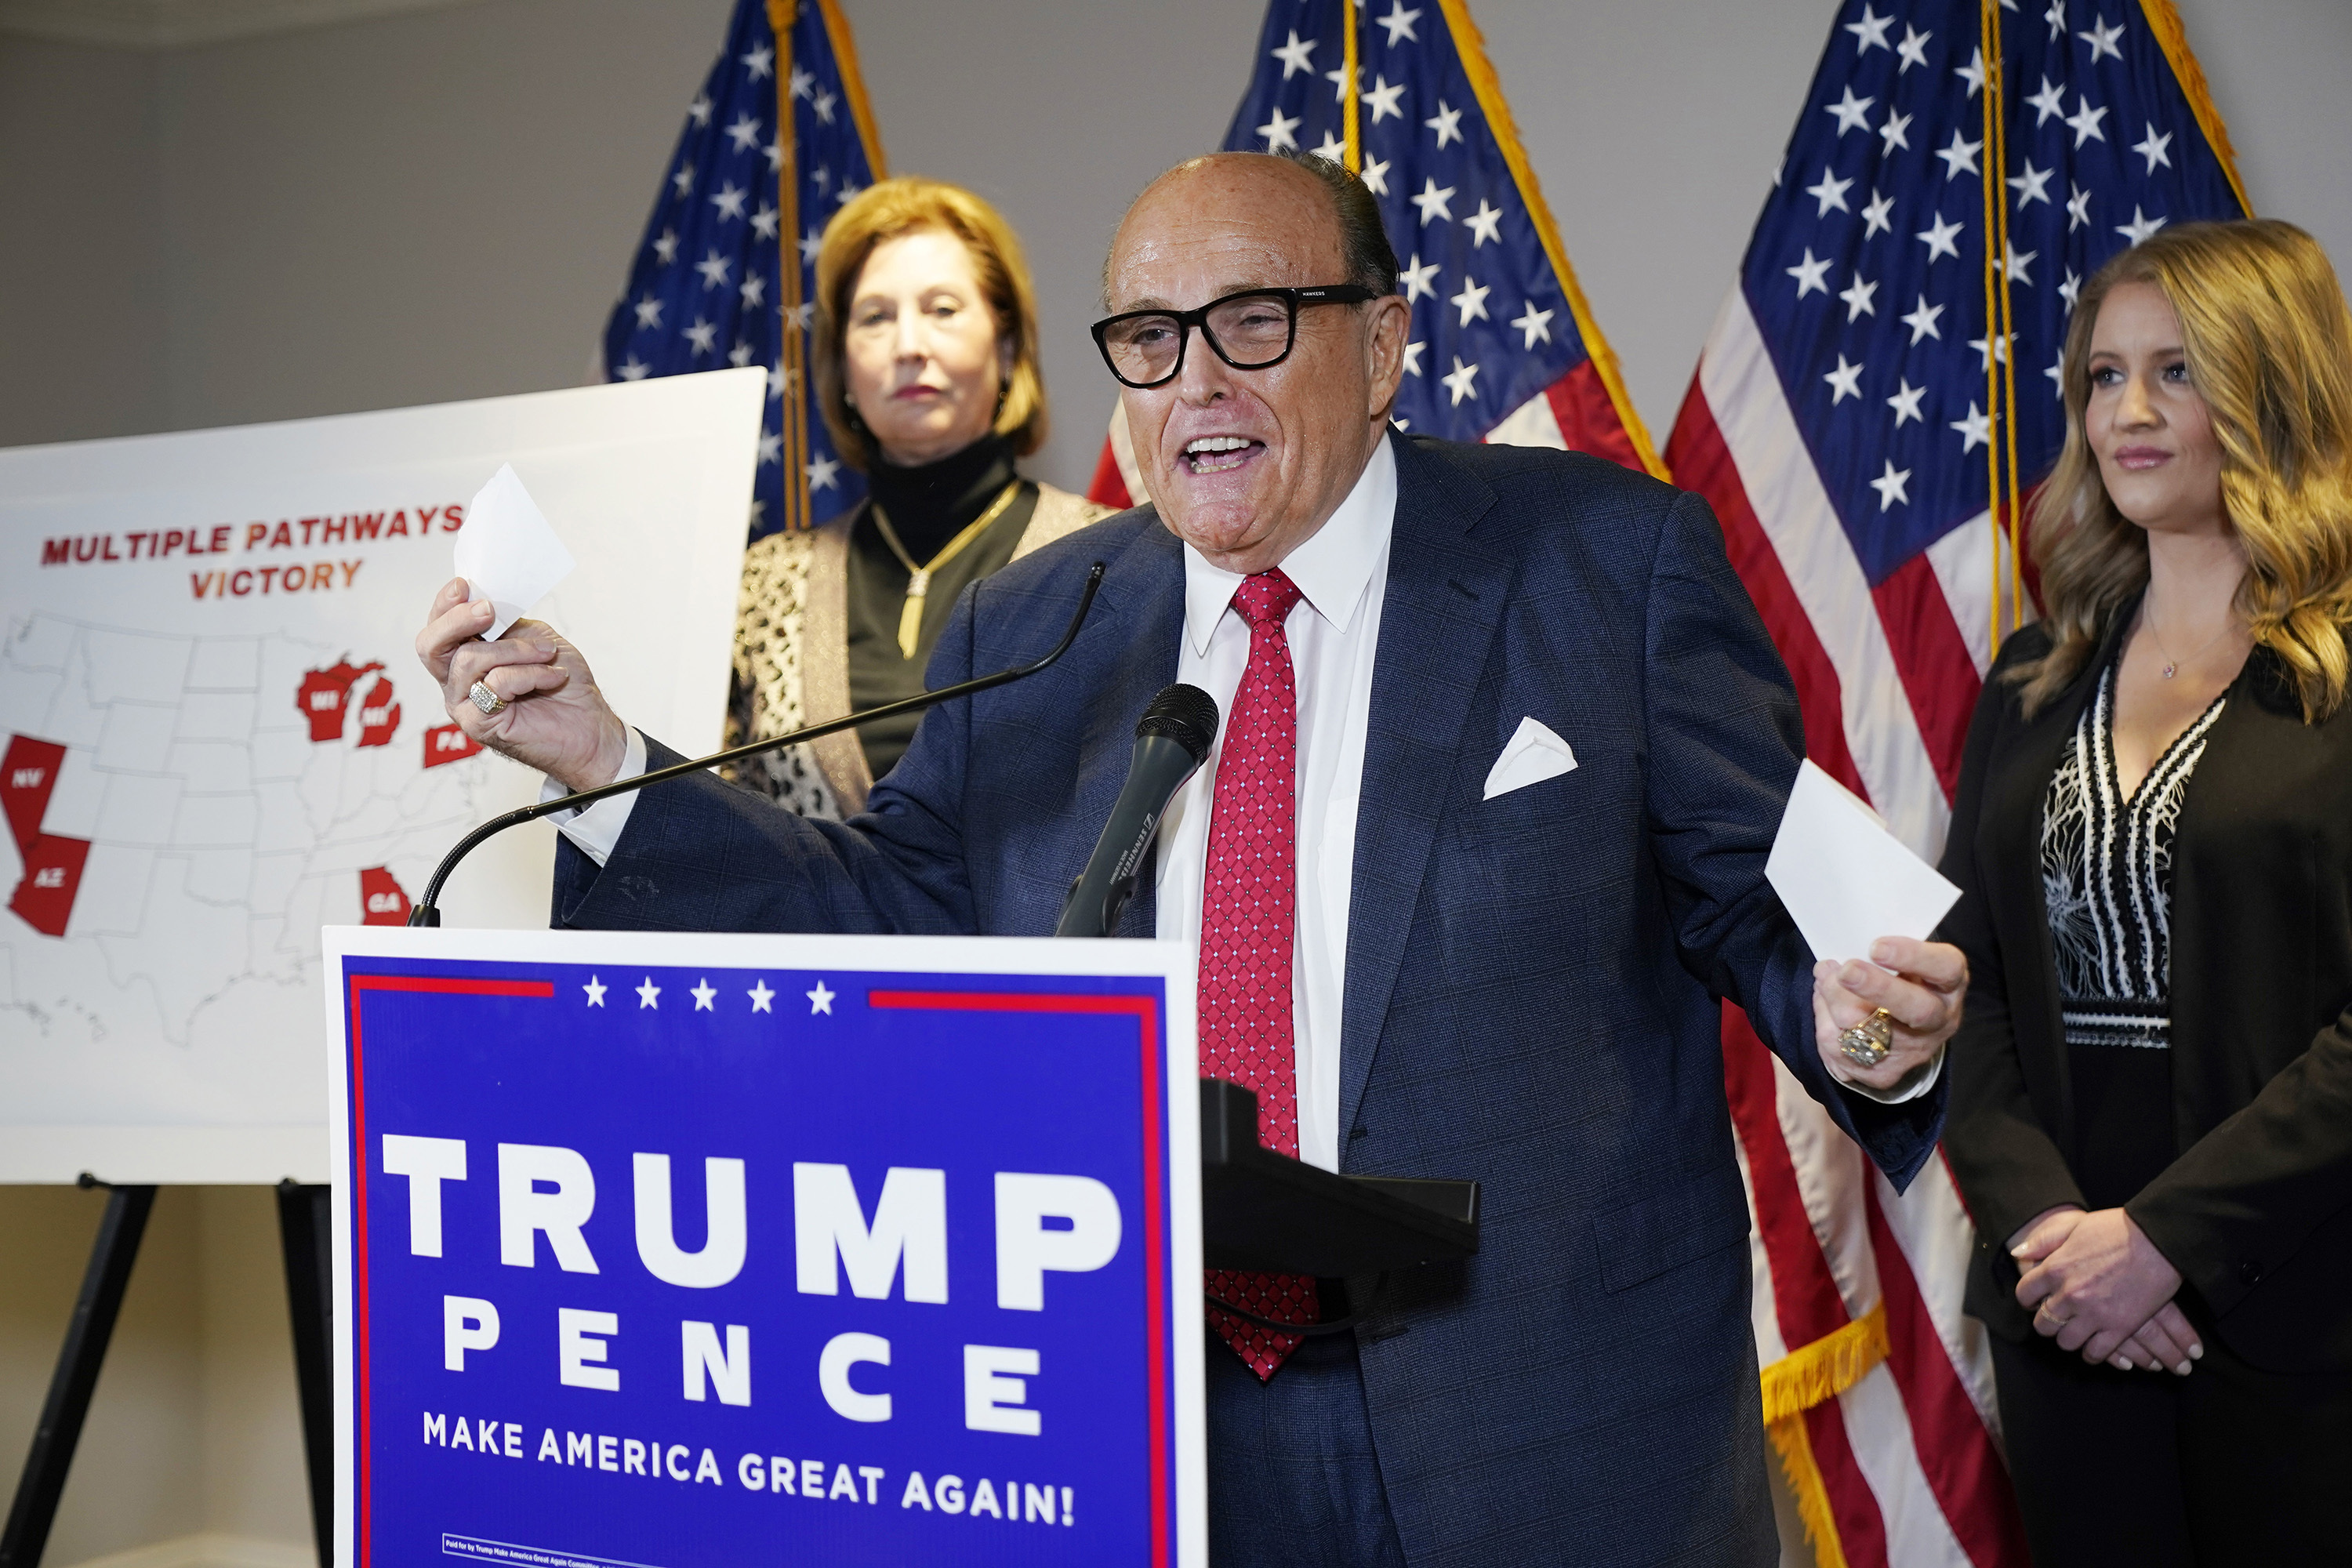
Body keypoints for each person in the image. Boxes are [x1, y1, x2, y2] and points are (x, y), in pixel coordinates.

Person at [416, 151, 1967, 1565]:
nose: (1196, 385)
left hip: (1547, 1429)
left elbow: (1765, 905)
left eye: (1254, 323)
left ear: (1382, 344)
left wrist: (1862, 1029)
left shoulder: (1602, 560)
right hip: (1160, 1433)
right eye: (1150, 340)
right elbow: (893, 915)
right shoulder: (1038, 622)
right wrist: (607, 760)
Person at [1938, 219, 2352, 1564]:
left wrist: (2169, 1243)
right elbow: (1967, 982)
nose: (2127, 411)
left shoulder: (2340, 678)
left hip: (2298, 1322)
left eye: (2176, 371)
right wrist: (2053, 1234)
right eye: (2102, 377)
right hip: (2065, 1317)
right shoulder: (2029, 680)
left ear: (2272, 384)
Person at [730, 176, 1112, 816]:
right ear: (843, 370)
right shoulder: (762, 582)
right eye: (876, 318)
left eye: (942, 310)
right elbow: (713, 832)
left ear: (1008, 346)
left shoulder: (1107, 561)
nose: (910, 346)